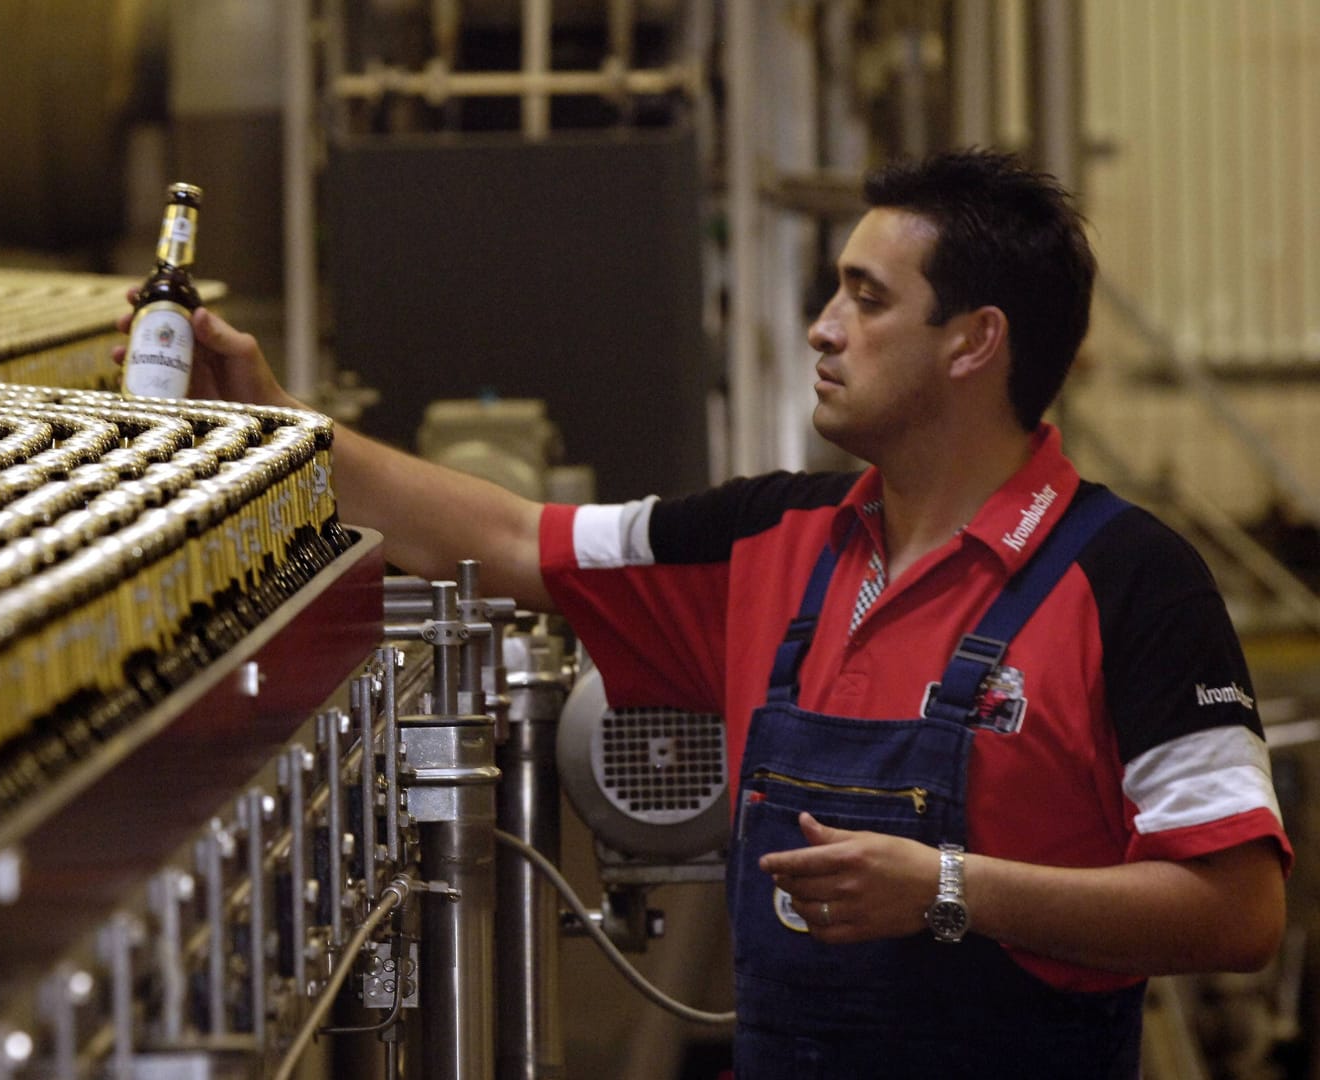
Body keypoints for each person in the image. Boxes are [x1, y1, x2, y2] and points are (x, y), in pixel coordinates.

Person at [119, 148, 1289, 1077]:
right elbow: (508, 536)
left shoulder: (1132, 580)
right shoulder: (770, 539)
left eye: (866, 300)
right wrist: (272, 422)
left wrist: (946, 888)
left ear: (976, 343)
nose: (824, 328)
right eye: (832, 291)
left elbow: (1236, 911)